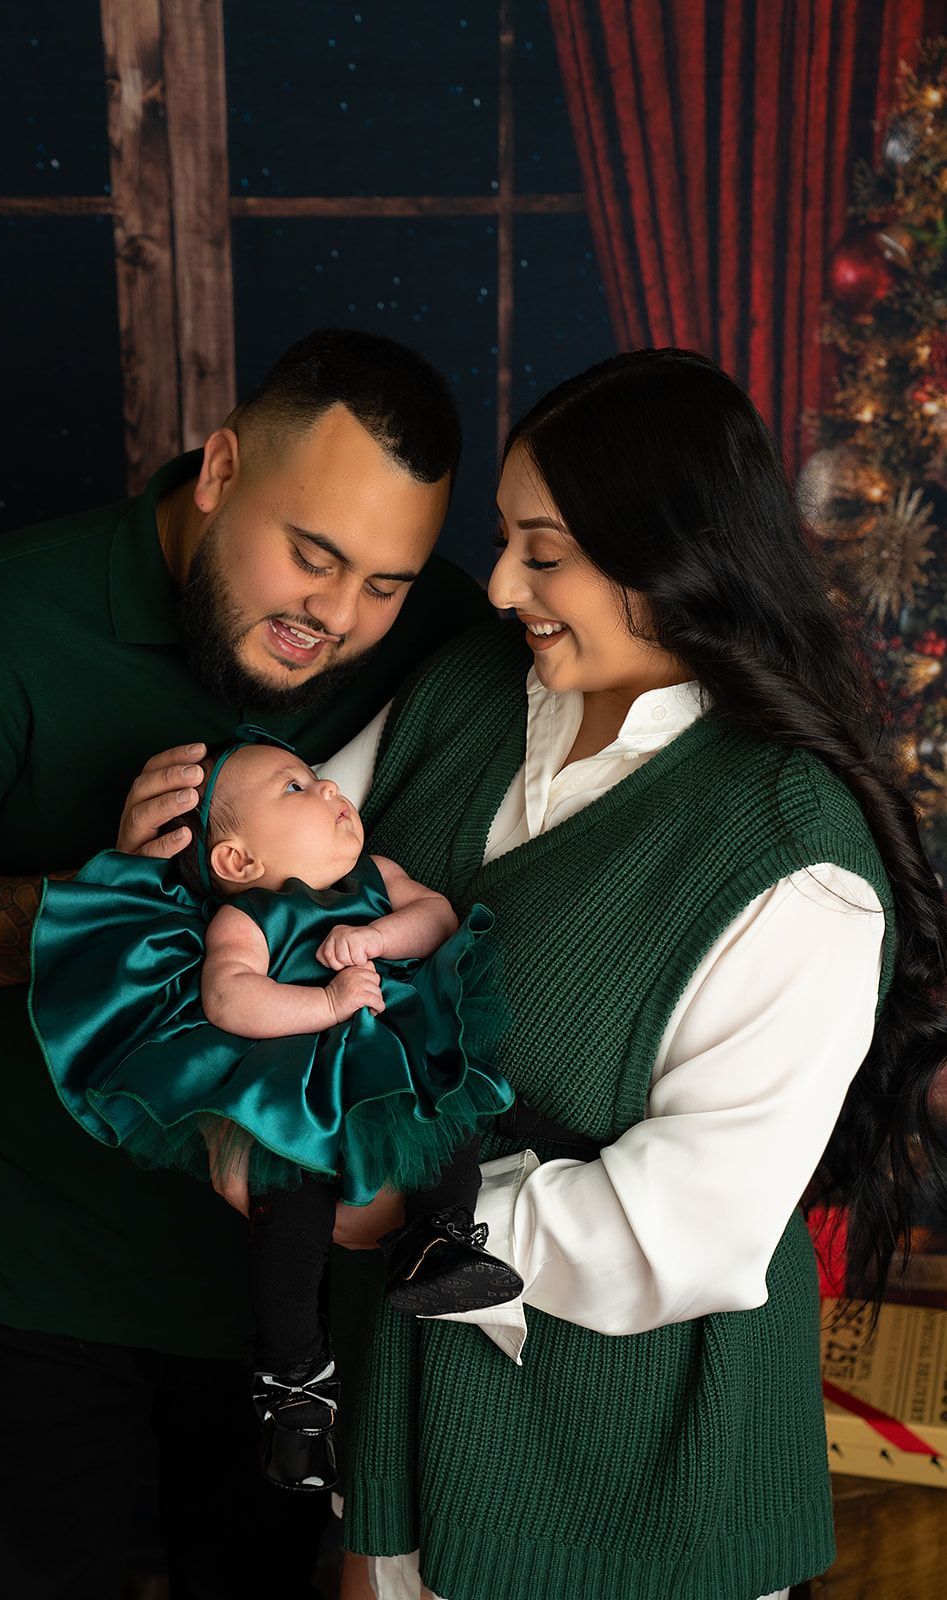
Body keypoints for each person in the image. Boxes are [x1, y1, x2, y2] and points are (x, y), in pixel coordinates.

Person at [276, 347, 944, 1600]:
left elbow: (687, 1226)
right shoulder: (468, 689)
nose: (495, 587)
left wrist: (406, 1209)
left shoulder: (792, 858)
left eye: (543, 549)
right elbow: (282, 890)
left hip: (631, 1478)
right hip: (404, 1420)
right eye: (502, 541)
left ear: (667, 552)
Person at [0, 327, 495, 1600]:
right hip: (33, 1282)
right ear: (218, 469)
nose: (336, 617)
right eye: (312, 555)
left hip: (287, 1303)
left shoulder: (442, 634)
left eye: (382, 580)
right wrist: (103, 914)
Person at [28, 729, 519, 1495]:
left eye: (321, 781)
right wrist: (324, 1000)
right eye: (294, 788)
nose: (329, 792)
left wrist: (375, 935)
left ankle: (440, 1241)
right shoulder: (246, 918)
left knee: (443, 1120)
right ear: (238, 861)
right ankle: (293, 1379)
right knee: (288, 1223)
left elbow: (437, 916)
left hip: (386, 1059)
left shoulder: (375, 875)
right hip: (294, 1086)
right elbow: (226, 997)